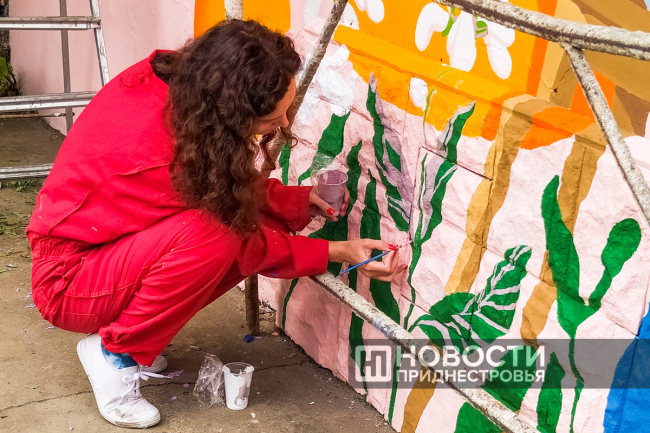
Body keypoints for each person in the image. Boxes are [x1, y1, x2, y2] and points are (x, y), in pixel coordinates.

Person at [26, 19, 405, 429]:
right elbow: (241, 239)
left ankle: (133, 336)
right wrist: (337, 251)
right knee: (216, 237)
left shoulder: (185, 90)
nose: (283, 125)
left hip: (104, 250)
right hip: (68, 283)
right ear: (231, 111)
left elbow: (222, 185)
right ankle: (114, 355)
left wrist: (297, 200)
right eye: (272, 117)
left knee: (234, 224)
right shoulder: (160, 152)